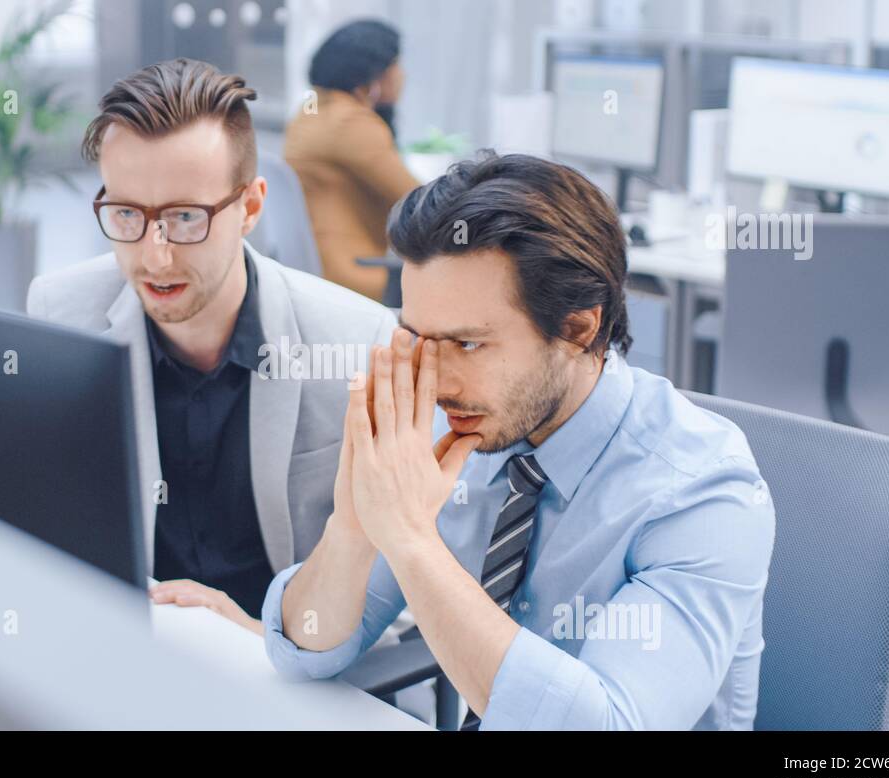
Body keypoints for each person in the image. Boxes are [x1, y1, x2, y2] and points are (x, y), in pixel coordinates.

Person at [262, 152, 776, 729]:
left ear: (578, 328)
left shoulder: (704, 492)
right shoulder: (457, 426)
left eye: (469, 344)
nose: (436, 382)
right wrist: (356, 527)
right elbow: (303, 649)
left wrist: (408, 539)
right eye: (418, 336)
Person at [27, 59, 397, 633]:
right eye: (126, 213)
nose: (154, 257)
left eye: (184, 217)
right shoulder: (61, 311)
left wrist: (257, 636)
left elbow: (393, 599)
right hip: (129, 652)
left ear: (249, 208)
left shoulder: (357, 343)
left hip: (286, 676)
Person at [284, 19, 420, 301]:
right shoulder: (350, 123)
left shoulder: (310, 111)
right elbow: (421, 201)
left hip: (314, 274)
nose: (402, 74)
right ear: (375, 74)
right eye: (396, 63)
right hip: (356, 278)